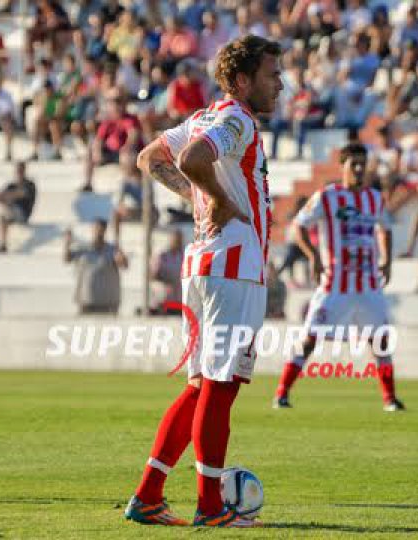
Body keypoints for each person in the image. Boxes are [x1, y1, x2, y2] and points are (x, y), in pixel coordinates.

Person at [124, 35, 282, 528]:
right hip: (233, 266)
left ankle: (148, 496)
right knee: (220, 387)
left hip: (205, 265)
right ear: (243, 81)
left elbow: (150, 157)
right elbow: (193, 159)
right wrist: (217, 197)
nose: (280, 84)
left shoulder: (202, 116)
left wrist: (201, 195)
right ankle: (211, 507)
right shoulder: (237, 119)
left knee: (200, 388)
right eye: (272, 75)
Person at [272, 143, 402, 411]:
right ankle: (281, 393)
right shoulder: (327, 197)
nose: (359, 169)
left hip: (368, 284)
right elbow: (298, 226)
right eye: (354, 164)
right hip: (335, 283)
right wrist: (313, 256)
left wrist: (387, 261)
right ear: (342, 166)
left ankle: (390, 399)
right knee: (310, 338)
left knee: (380, 340)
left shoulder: (374, 198)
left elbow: (385, 229)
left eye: (362, 164)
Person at [63, 219, 127, 314]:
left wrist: (121, 257)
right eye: (95, 229)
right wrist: (67, 243)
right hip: (86, 300)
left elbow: (124, 265)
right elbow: (67, 259)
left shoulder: (112, 249)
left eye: (100, 229)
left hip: (107, 303)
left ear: (105, 231)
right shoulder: (83, 248)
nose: (97, 232)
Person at [0, 161, 37, 254]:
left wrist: (7, 196)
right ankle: (3, 244)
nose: (19, 172)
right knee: (2, 216)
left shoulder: (29, 184)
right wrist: (6, 197)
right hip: (11, 214)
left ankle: (3, 245)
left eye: (21, 170)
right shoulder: (11, 185)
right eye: (18, 170)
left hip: (23, 215)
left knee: (5, 212)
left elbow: (22, 193)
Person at [148, 228, 184, 316]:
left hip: (178, 296)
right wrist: (166, 280)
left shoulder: (184, 255)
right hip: (163, 294)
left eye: (179, 240)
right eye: (176, 239)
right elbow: (152, 275)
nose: (178, 242)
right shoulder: (162, 255)